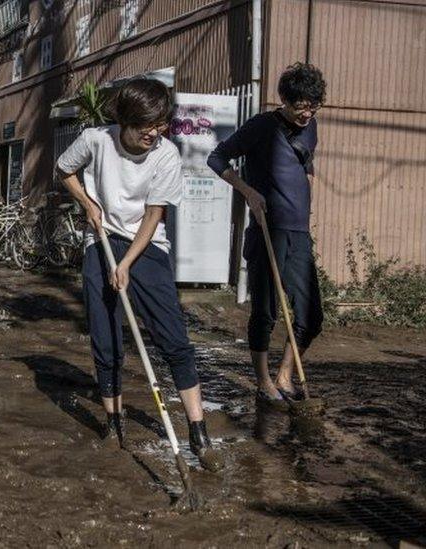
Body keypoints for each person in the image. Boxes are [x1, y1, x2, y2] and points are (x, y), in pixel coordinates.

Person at [56, 78, 223, 471]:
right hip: (100, 240)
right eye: (146, 125)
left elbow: (153, 215)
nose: (154, 132)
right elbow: (63, 169)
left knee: (173, 338)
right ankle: (113, 424)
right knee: (106, 338)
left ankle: (198, 430)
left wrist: (127, 263)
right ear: (124, 121)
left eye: (160, 124)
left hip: (145, 247)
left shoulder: (165, 154)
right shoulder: (95, 140)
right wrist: (87, 202)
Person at [207, 62, 326, 409]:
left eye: (312, 105)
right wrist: (248, 191)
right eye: (300, 105)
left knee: (310, 316)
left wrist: (306, 194)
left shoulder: (311, 127)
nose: (306, 113)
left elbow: (306, 163)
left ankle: (285, 375)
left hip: (298, 232)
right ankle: (262, 382)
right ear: (285, 101)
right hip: (266, 231)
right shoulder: (262, 126)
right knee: (266, 312)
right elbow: (217, 158)